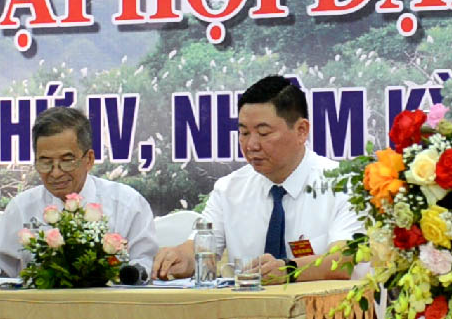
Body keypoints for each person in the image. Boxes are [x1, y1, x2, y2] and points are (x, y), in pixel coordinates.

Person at [152, 75, 362, 283]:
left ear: (301, 130)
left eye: (263, 133)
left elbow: (343, 261)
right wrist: (181, 257)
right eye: (244, 133)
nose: (251, 145)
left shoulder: (345, 184)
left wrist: (288, 270)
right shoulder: (229, 189)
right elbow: (200, 250)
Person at [0, 106, 159, 277]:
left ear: (89, 159)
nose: (56, 172)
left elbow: (145, 261)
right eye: (45, 162)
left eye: (67, 161)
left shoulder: (127, 204)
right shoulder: (22, 207)